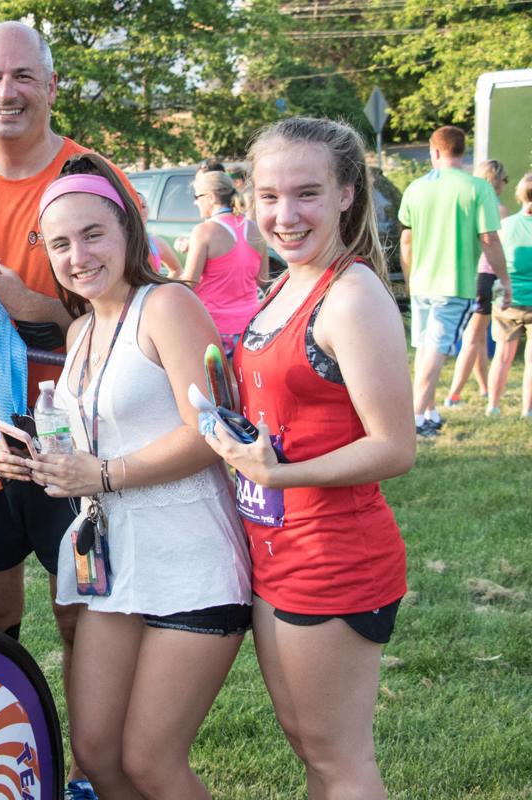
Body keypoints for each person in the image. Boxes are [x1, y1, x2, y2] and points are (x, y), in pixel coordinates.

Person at [0, 21, 139, 798]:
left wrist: (24, 301)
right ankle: (1, 763)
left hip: (75, 433)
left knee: (80, 611)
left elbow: (132, 320)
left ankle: (85, 771)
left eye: (21, 77)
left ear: (49, 85)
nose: (5, 93)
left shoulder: (89, 173)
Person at [0, 153, 251, 797]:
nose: (77, 255)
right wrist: (28, 458)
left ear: (128, 232)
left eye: (92, 235)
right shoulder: (79, 329)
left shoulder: (167, 305)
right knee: (98, 753)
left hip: (189, 560)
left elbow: (213, 434)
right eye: (59, 243)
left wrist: (103, 474)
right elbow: (87, 438)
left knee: (151, 762)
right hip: (111, 563)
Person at [206, 117, 416, 798]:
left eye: (306, 194)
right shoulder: (287, 281)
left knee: (338, 759)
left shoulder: (351, 296)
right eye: (268, 196)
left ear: (347, 193)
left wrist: (277, 473)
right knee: (307, 744)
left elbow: (395, 446)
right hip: (275, 543)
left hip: (332, 554)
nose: (284, 215)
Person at [399, 125, 511, 437]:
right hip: (455, 283)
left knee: (423, 348)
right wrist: (505, 279)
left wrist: (409, 279)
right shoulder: (478, 188)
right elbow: (489, 238)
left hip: (422, 281)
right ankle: (415, 419)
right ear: (463, 151)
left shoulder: (415, 188)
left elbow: (406, 240)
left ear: (434, 151)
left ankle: (428, 411)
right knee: (435, 351)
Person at [177, 169, 269, 355]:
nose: (195, 202)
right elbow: (263, 279)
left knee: (215, 383)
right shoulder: (254, 229)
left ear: (211, 197)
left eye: (197, 196)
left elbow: (189, 283)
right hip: (251, 326)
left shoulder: (203, 231)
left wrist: (162, 282)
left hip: (215, 328)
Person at [446, 159, 511, 407]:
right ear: (496, 181)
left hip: (468, 273)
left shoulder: (466, 204)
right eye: (504, 180)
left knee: (479, 337)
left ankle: (483, 387)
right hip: (486, 275)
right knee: (473, 337)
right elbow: (495, 244)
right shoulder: (497, 208)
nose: (505, 185)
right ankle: (454, 393)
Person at [485, 172, 532, 417]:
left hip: (507, 300)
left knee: (502, 357)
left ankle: (493, 406)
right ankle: (528, 410)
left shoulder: (506, 225)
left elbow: (494, 260)